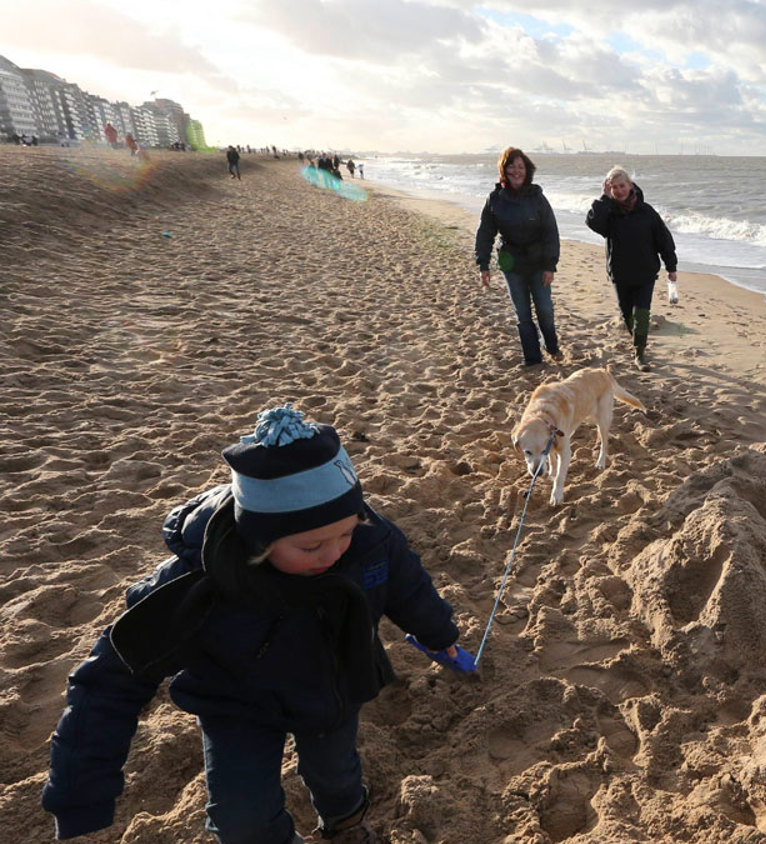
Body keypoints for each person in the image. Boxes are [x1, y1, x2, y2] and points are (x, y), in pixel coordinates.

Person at [41, 404, 469, 843]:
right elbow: (111, 677)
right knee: (241, 818)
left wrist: (441, 637)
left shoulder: (370, 538)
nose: (333, 553)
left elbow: (408, 587)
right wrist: (79, 793)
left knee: (336, 775)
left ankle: (346, 823)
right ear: (260, 538)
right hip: (236, 705)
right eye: (311, 546)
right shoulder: (198, 581)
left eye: (345, 533)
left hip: (335, 685)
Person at [474, 147, 562, 367]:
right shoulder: (495, 199)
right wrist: (483, 264)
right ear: (504, 169)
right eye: (511, 166)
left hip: (538, 262)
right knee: (522, 313)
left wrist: (550, 265)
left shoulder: (538, 197)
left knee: (545, 309)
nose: (516, 171)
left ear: (527, 170)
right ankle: (533, 359)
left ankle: (550, 345)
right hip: (510, 263)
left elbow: (551, 231)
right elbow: (485, 232)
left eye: (520, 166)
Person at [586, 166, 677, 372]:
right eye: (614, 187)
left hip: (645, 272)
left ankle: (640, 353)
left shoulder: (647, 212)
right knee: (627, 313)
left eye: (622, 185)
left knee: (642, 313)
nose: (619, 190)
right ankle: (638, 342)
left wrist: (671, 266)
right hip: (619, 273)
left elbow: (664, 240)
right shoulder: (608, 213)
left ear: (630, 185)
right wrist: (603, 198)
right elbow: (592, 223)